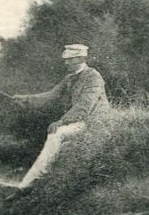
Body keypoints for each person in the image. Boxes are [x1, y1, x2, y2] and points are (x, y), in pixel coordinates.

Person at [11, 43, 109, 189]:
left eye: (70, 59)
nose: (66, 62)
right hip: (81, 122)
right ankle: (31, 182)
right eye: (66, 59)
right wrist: (25, 99)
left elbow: (84, 106)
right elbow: (51, 96)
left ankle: (30, 183)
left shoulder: (94, 78)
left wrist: (62, 121)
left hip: (96, 122)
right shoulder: (69, 78)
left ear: (82, 58)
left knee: (56, 133)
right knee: (56, 134)